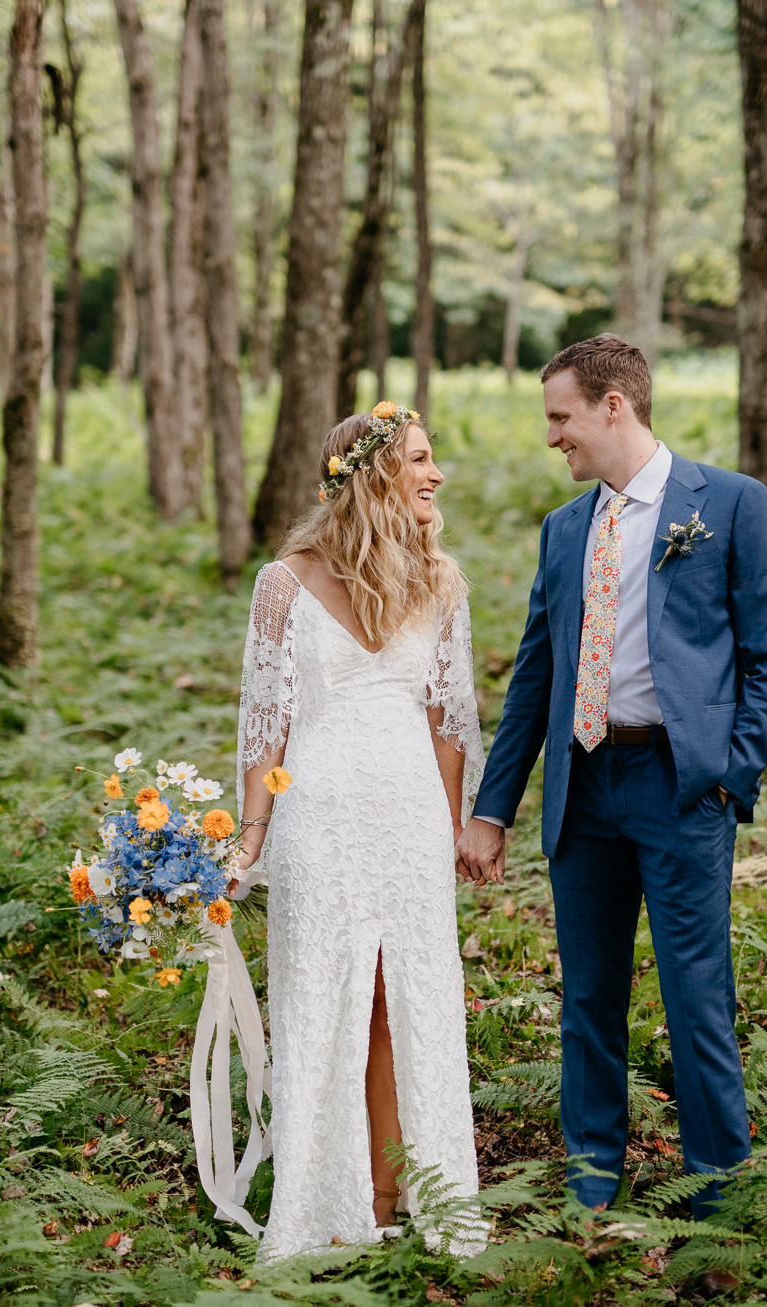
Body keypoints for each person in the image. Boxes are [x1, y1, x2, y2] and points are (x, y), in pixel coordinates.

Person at [455, 334, 767, 1216]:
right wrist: (492, 809)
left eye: (560, 417)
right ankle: (591, 1174)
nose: (552, 438)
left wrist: (727, 775)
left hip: (681, 788)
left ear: (616, 406)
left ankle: (715, 1195)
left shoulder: (729, 503)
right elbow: (536, 674)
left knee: (697, 1001)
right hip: (585, 789)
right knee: (589, 996)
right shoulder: (564, 529)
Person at [231, 403, 487, 1260]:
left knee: (406, 1000)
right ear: (374, 474)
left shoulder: (438, 579)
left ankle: (401, 1195)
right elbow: (265, 725)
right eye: (419, 459)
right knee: (326, 999)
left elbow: (450, 721)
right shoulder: (284, 582)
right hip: (322, 815)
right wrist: (249, 839)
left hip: (410, 818)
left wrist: (454, 828)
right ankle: (328, 1203)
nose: (436, 474)